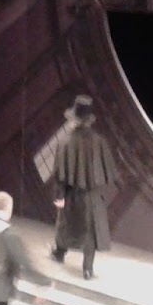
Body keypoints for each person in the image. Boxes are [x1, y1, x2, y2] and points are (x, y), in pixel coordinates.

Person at [49, 94, 120, 279]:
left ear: (74, 118)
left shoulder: (65, 142)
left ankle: (59, 253)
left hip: (72, 194)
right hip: (94, 196)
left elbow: (60, 175)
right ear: (89, 120)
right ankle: (87, 269)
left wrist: (59, 196)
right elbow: (108, 172)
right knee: (91, 232)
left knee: (65, 223)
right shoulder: (100, 141)